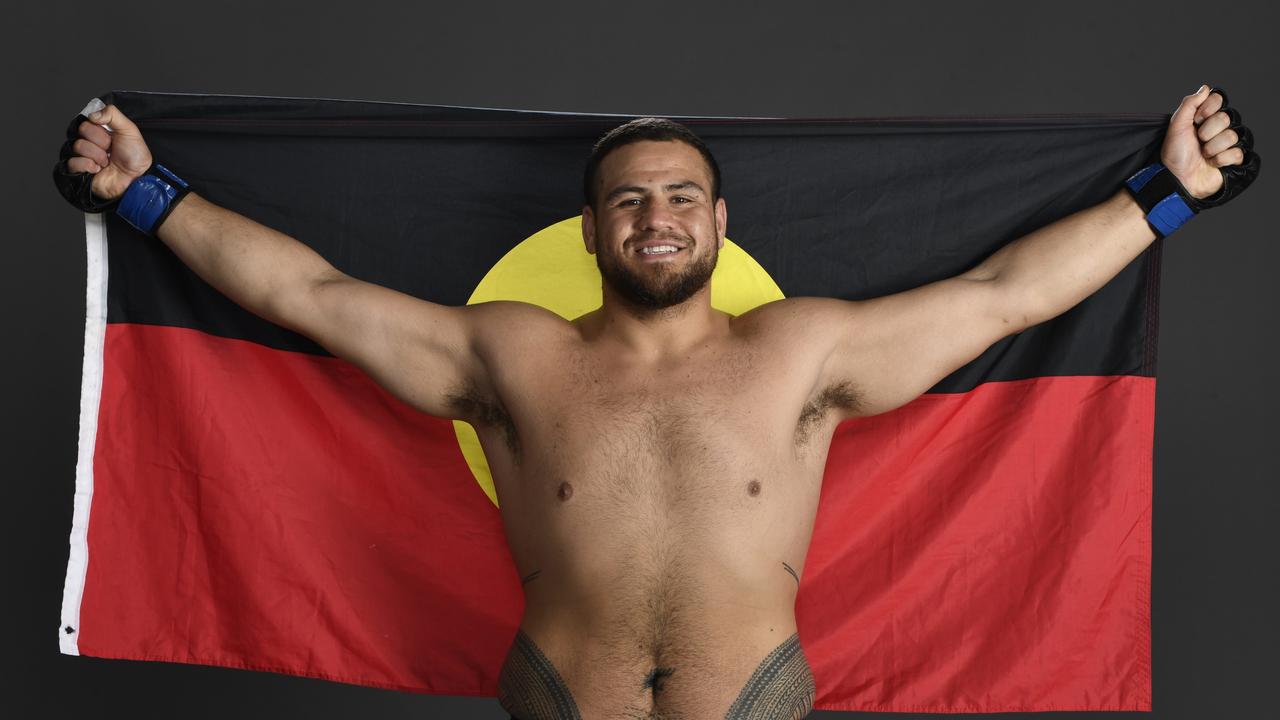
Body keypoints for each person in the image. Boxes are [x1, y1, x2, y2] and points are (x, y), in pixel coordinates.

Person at [54, 86, 1258, 720]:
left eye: (681, 196)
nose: (657, 216)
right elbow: (311, 294)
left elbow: (1001, 297)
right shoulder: (509, 354)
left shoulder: (801, 349)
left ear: (721, 225)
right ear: (588, 232)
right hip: (555, 693)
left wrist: (1170, 193)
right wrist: (147, 194)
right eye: (629, 200)